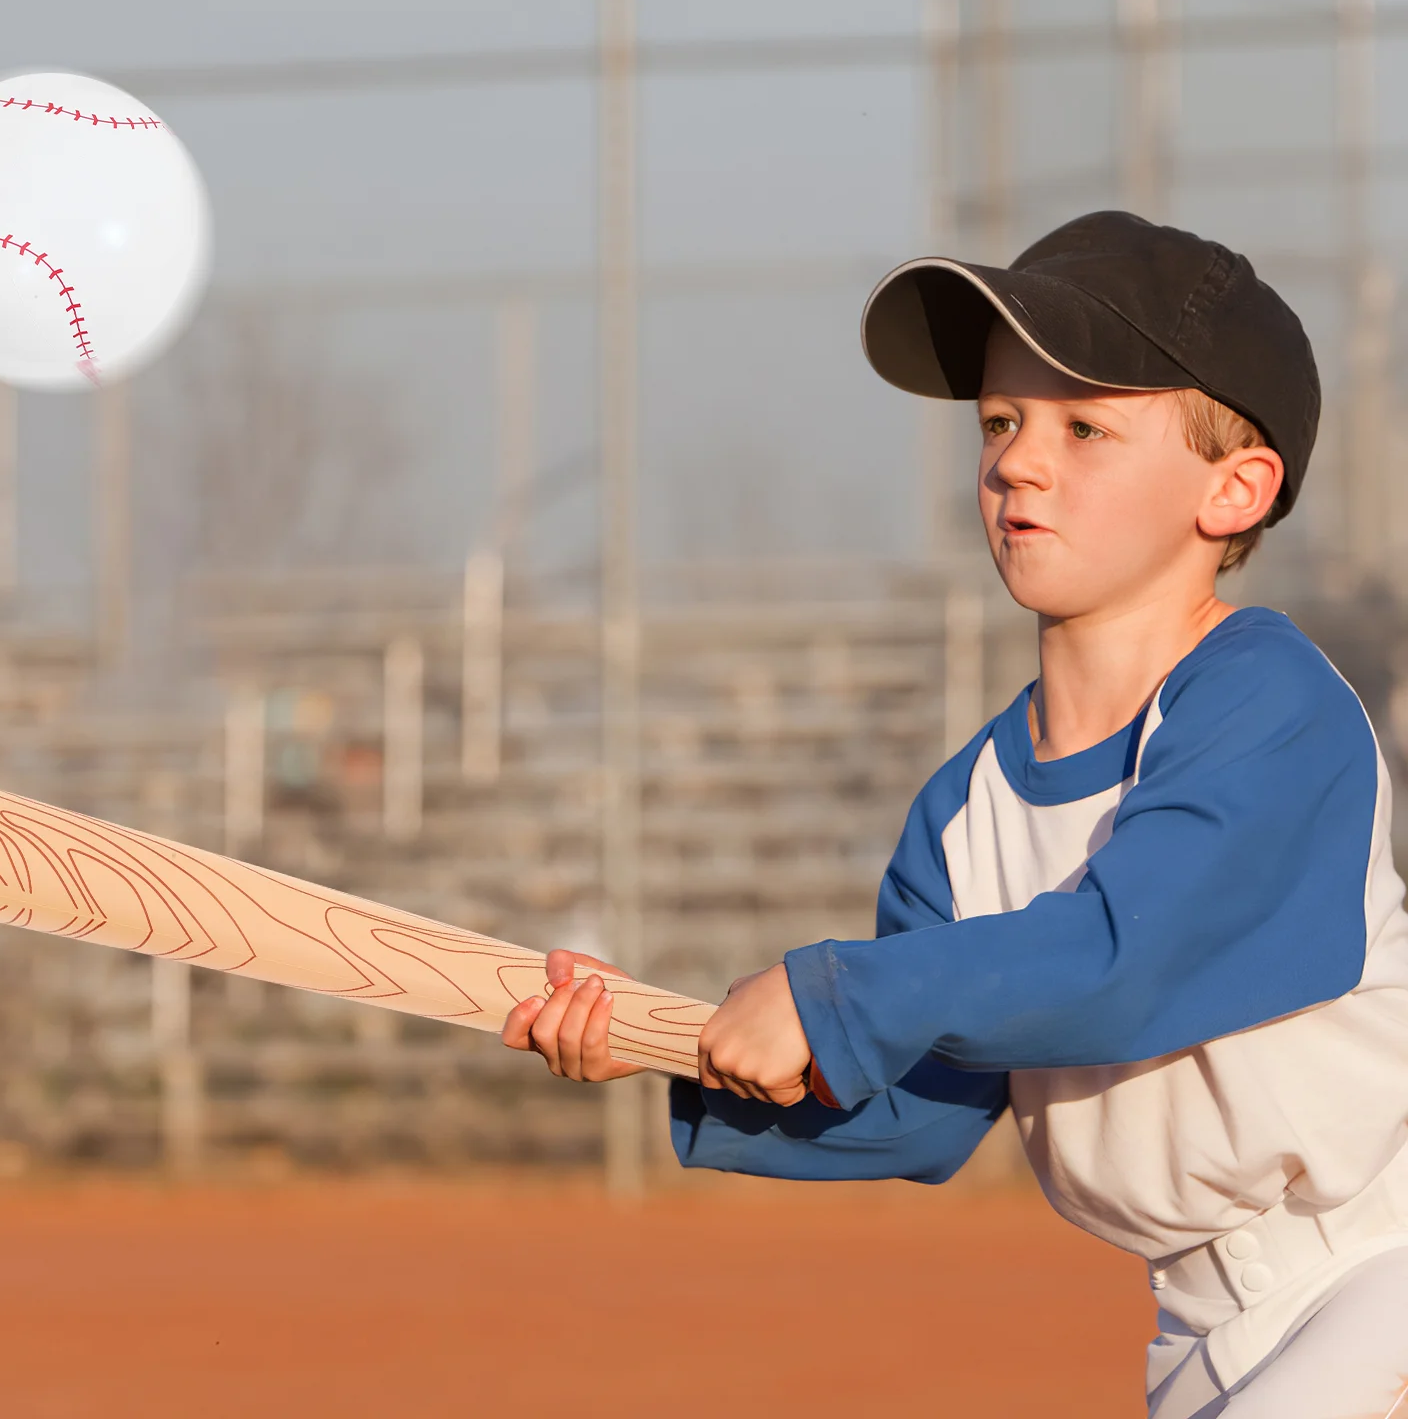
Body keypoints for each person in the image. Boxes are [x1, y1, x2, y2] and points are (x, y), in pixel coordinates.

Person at [501, 211, 1408, 1418]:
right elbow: (922, 1106)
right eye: (1000, 422)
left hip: (1374, 1273)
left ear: (1234, 490)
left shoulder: (1270, 705)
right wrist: (669, 1046)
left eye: (1084, 427)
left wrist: (836, 995)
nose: (1017, 462)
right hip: (1200, 1332)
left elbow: (1118, 959)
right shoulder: (964, 806)